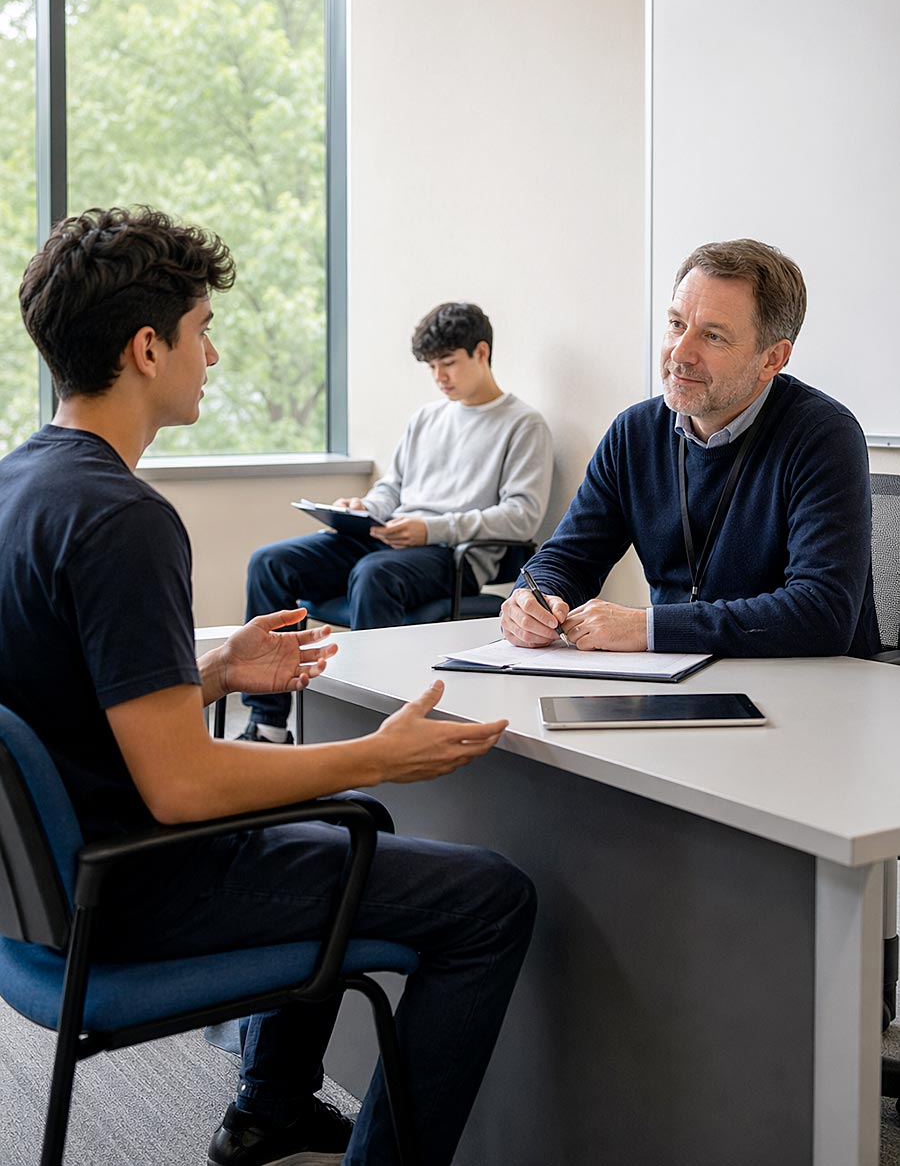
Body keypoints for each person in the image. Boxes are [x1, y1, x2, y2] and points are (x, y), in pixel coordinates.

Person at [0, 207, 536, 1166]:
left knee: (333, 815)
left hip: (45, 887)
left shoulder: (23, 486)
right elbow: (184, 789)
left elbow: (60, 704)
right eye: (204, 331)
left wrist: (207, 672)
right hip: (133, 888)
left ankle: (272, 1105)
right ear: (147, 348)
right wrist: (383, 755)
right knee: (489, 897)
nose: (214, 355)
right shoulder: (123, 518)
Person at [501, 238, 879, 659]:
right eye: (677, 324)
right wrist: (533, 600)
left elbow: (822, 612)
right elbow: (569, 558)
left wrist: (650, 627)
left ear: (772, 359)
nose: (679, 354)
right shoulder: (635, 432)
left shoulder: (824, 435)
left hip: (811, 693)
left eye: (713, 336)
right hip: (674, 678)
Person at [242, 300, 553, 742]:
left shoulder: (523, 425)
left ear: (481, 353)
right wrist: (365, 507)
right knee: (270, 562)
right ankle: (269, 725)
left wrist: (431, 529)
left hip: (448, 555)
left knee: (374, 574)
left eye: (448, 363)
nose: (439, 377)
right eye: (431, 367)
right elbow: (394, 487)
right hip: (389, 537)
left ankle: (377, 734)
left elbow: (522, 517)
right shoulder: (426, 418)